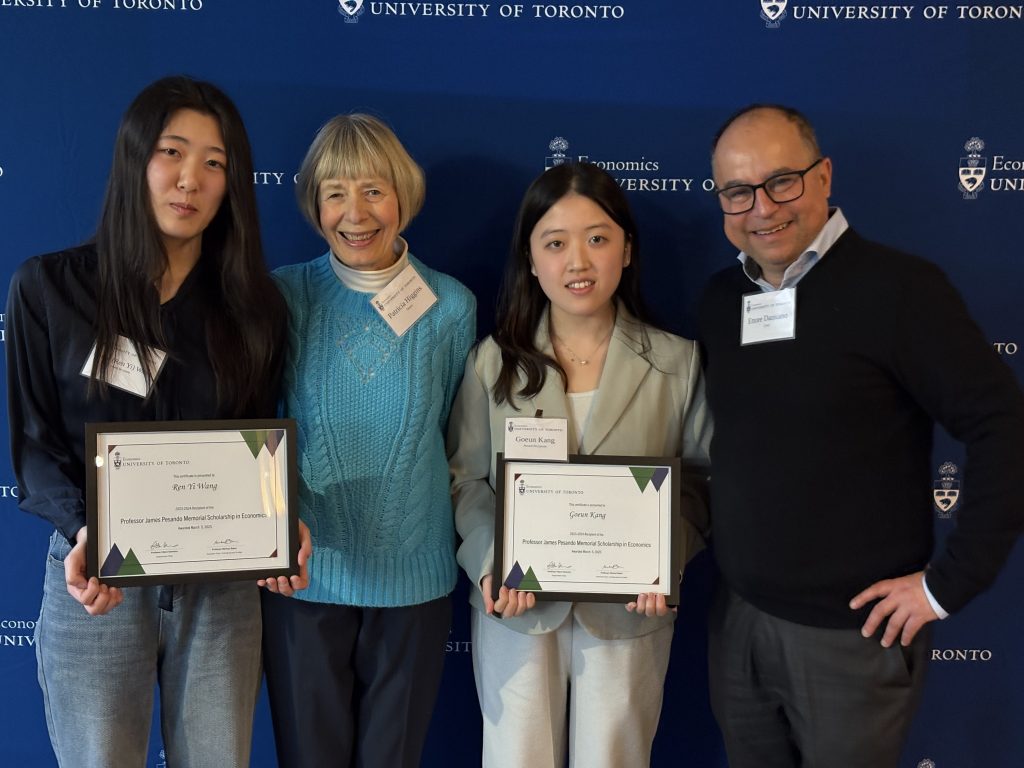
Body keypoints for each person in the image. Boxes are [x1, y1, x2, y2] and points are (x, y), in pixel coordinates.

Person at [699, 103, 1024, 768]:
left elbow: (1003, 424)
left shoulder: (902, 290)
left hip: (852, 639)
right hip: (739, 622)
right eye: (737, 191)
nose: (761, 208)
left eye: (781, 181)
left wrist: (948, 584)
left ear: (823, 178)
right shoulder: (719, 300)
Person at [6, 76, 308, 768]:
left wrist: (278, 516)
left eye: (214, 162)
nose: (190, 179)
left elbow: (256, 439)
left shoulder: (254, 309)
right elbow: (34, 444)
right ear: (136, 158)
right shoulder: (48, 289)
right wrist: (87, 531)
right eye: (173, 152)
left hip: (223, 585)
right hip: (98, 580)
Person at [448, 162, 711, 768]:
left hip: (628, 613)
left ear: (627, 250)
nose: (578, 262)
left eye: (597, 239)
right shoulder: (493, 364)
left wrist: (665, 555)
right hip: (516, 609)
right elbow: (467, 479)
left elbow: (701, 480)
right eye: (556, 242)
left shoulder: (678, 363)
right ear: (532, 259)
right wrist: (493, 561)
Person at [260, 113, 476, 768]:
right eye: (334, 192)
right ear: (314, 205)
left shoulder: (453, 306)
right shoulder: (283, 296)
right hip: (303, 579)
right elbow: (256, 426)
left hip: (412, 586)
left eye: (373, 189)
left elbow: (461, 447)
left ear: (403, 195)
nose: (355, 212)